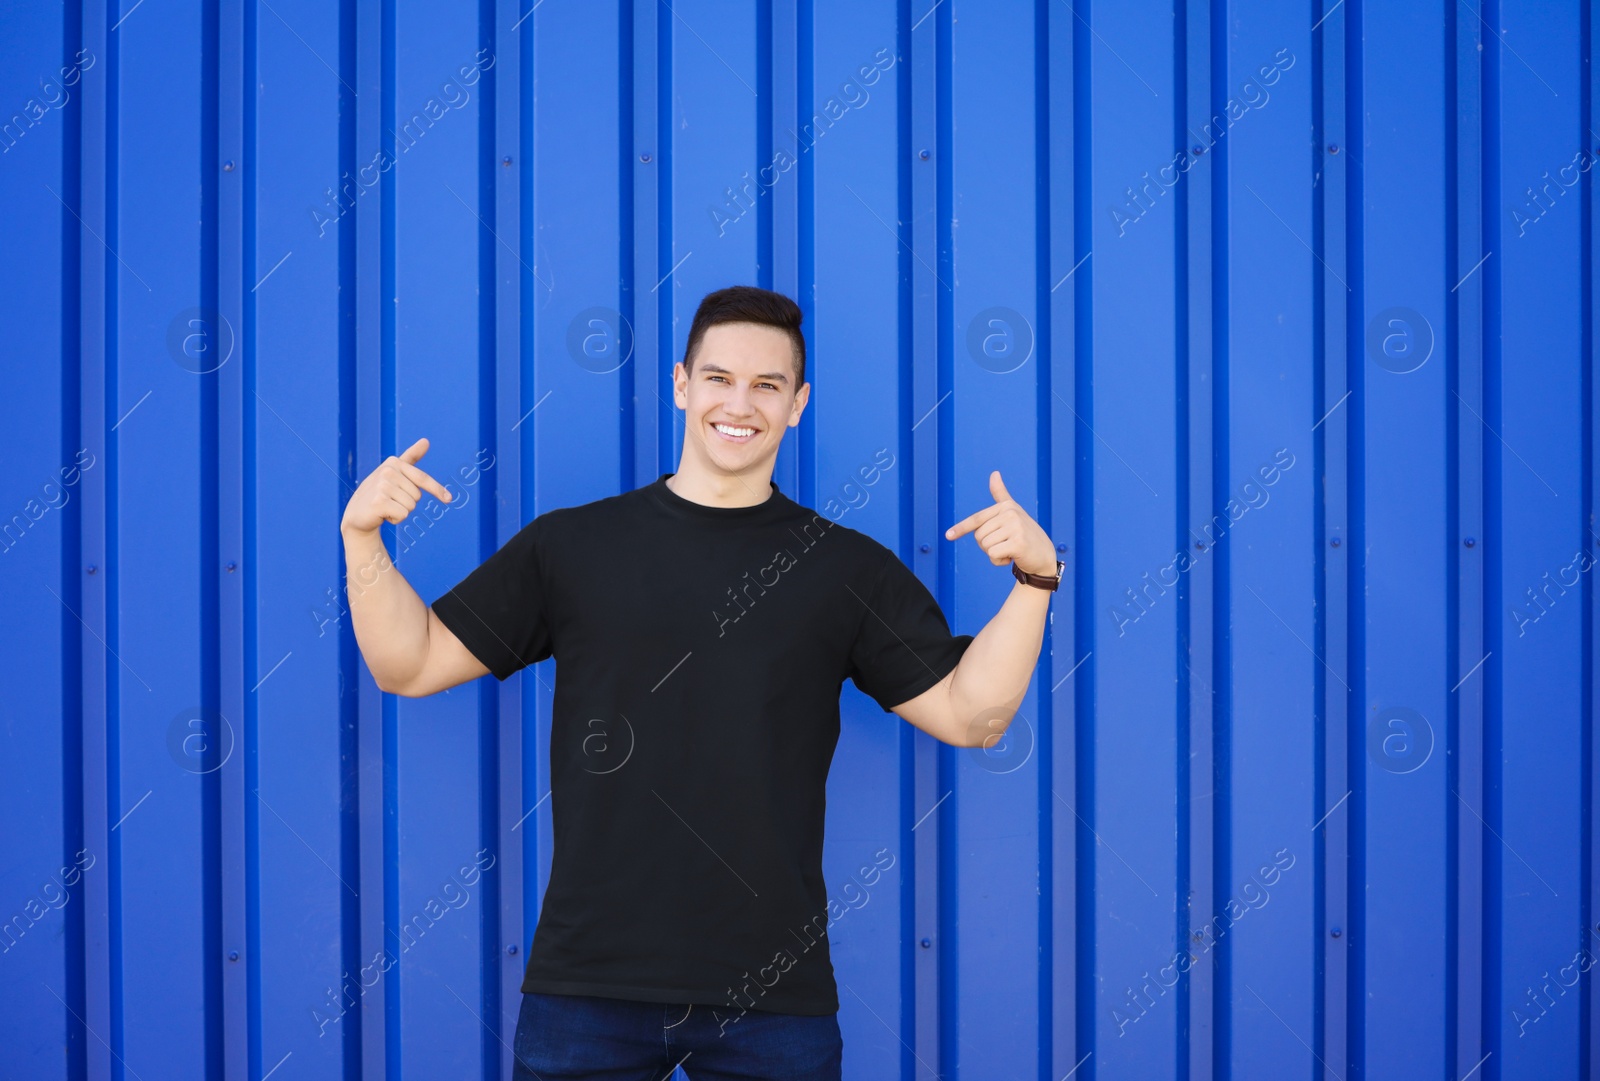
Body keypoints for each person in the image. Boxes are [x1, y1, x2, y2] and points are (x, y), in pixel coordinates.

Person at [339, 285, 1061, 1080]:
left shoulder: (845, 569)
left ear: (798, 404)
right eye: (718, 378)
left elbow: (973, 716)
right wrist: (362, 536)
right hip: (589, 986)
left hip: (771, 999)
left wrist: (1034, 581)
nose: (738, 403)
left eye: (767, 385)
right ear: (681, 384)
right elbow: (408, 664)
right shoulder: (574, 546)